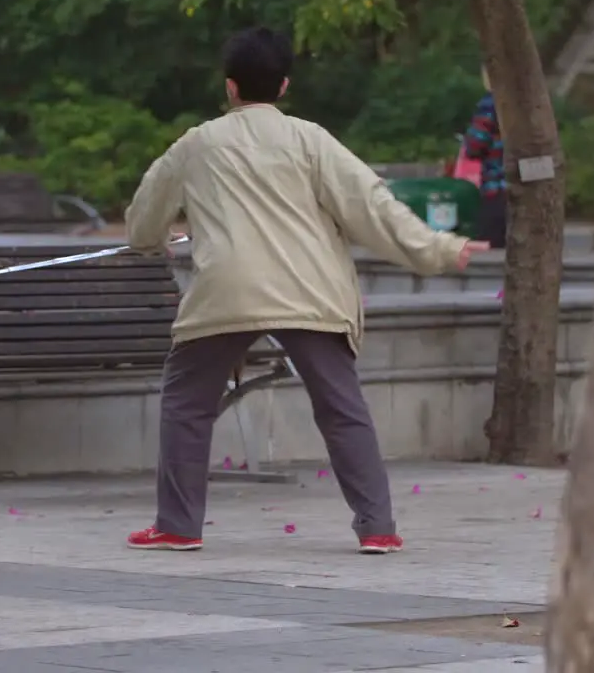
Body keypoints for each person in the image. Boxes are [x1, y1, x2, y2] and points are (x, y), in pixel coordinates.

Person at [123, 27, 489, 555]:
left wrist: (161, 234)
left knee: (186, 403)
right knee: (343, 410)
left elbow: (140, 226)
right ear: (285, 84)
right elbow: (372, 206)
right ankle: (378, 527)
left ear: (230, 88)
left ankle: (179, 524)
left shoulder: (195, 145)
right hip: (310, 289)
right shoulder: (310, 139)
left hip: (229, 289)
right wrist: (438, 249)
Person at [465, 66, 507, 248]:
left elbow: (476, 143)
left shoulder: (490, 103)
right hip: (529, 188)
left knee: (491, 252)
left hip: (497, 187)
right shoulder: (530, 104)